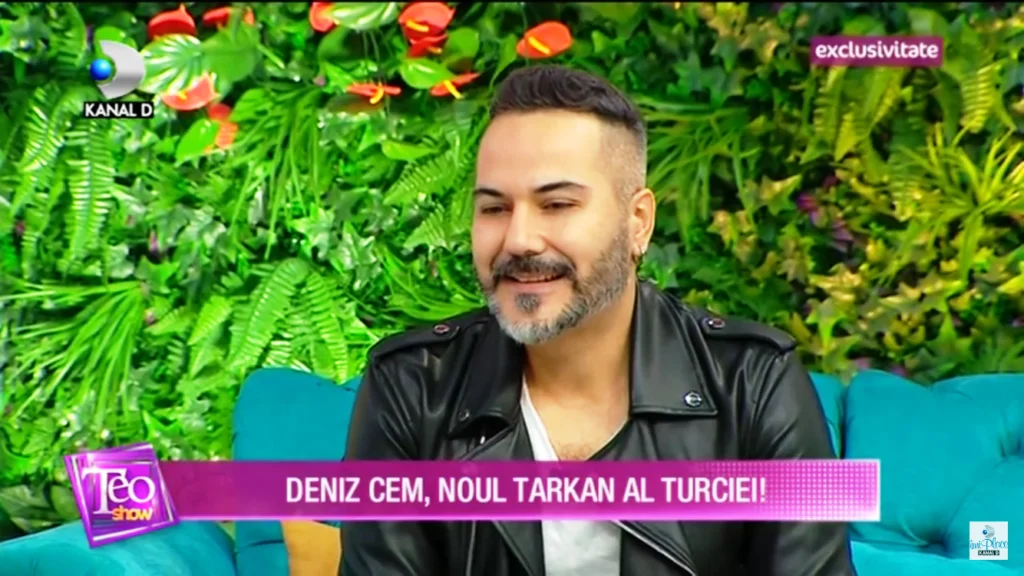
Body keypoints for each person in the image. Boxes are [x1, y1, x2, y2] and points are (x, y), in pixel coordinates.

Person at [340, 65, 855, 576]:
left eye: (557, 204)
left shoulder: (754, 383)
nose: (518, 240)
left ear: (638, 223)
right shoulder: (412, 387)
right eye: (494, 209)